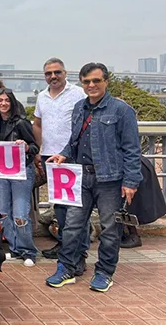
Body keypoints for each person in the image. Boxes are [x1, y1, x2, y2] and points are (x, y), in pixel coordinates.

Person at [46, 62, 142, 293]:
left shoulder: (122, 110)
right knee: (72, 226)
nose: (91, 85)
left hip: (110, 179)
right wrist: (64, 154)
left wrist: (131, 181)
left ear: (106, 81)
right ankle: (67, 267)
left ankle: (104, 272)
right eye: (87, 81)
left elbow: (132, 149)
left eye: (96, 80)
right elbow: (74, 141)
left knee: (110, 229)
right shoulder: (79, 107)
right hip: (81, 177)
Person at [32, 58, 88, 261]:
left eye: (57, 72)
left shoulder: (78, 93)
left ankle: (80, 248)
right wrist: (38, 150)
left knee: (77, 204)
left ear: (65, 73)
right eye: (48, 73)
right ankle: (65, 243)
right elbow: (37, 124)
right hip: (49, 156)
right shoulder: (42, 97)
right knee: (59, 204)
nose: (53, 76)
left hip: (72, 156)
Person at [0, 88, 39, 267]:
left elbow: (34, 147)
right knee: (3, 212)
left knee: (20, 213)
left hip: (21, 171)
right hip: (3, 172)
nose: (3, 103)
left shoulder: (21, 122)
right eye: (0, 100)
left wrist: (26, 147)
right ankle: (15, 247)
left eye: (6, 100)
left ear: (12, 102)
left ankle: (28, 250)